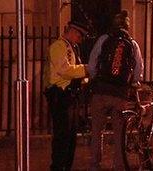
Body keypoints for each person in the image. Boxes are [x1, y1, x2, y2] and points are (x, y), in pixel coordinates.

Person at [87, 10, 144, 170]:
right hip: (120, 95)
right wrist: (132, 83)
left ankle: (94, 165)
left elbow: (92, 65)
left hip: (100, 92)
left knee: (97, 130)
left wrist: (95, 78)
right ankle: (118, 165)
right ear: (127, 26)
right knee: (120, 133)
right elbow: (138, 71)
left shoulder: (104, 40)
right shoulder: (132, 44)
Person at [44, 21, 89, 170]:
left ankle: (65, 167)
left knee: (70, 138)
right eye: (80, 35)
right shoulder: (58, 46)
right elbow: (65, 70)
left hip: (71, 97)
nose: (80, 39)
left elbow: (73, 71)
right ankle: (58, 168)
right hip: (61, 96)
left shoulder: (72, 47)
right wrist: (86, 69)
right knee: (62, 137)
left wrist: (85, 78)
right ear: (73, 31)